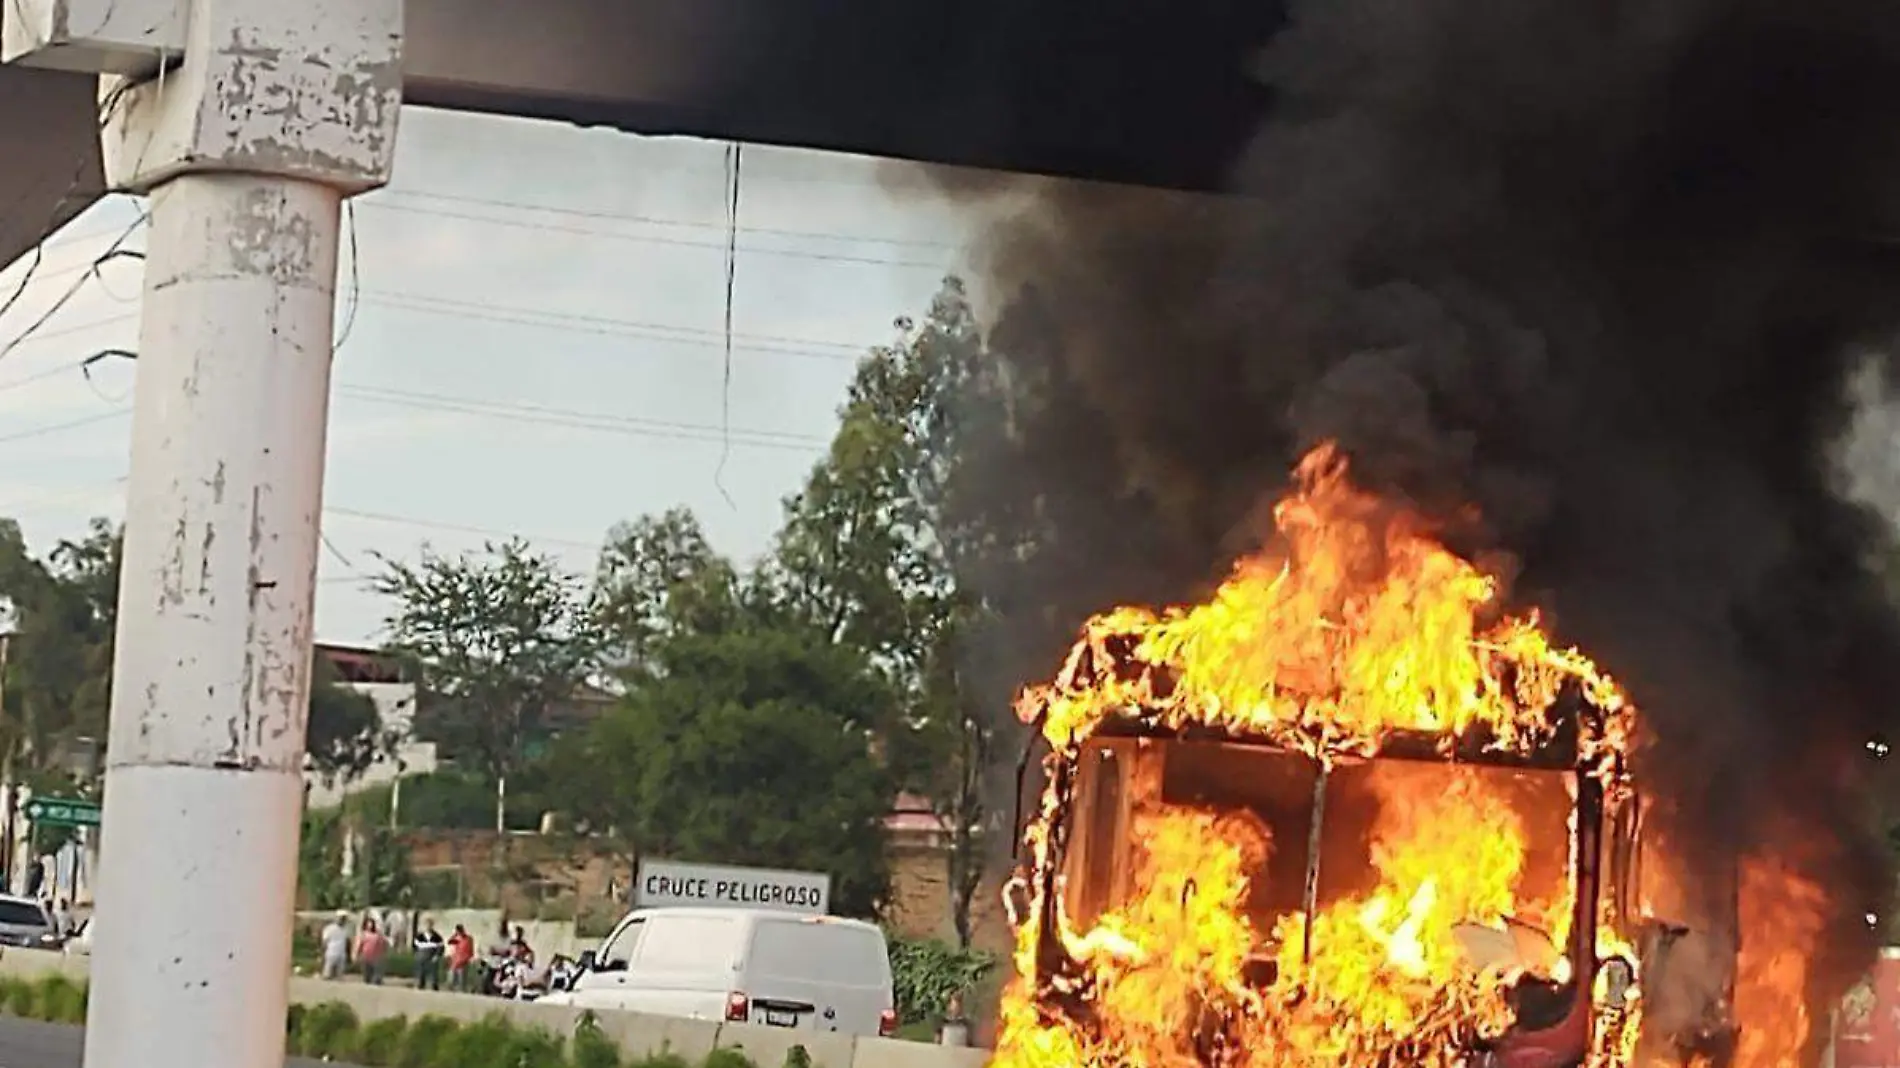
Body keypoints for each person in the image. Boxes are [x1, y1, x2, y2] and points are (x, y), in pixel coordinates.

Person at [354, 917, 390, 986]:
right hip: (366, 956)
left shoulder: (378, 935)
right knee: (367, 975)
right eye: (368, 924)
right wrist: (356, 954)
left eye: (371, 923)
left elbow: (384, 943)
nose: (370, 925)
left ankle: (377, 981)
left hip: (376, 957)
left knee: (376, 974)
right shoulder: (363, 934)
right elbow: (359, 945)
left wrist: (384, 953)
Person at [413, 917, 444, 991]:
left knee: (433, 972)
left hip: (432, 956)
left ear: (432, 926)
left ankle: (434, 985)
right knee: (421, 971)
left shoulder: (437, 936)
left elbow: (441, 947)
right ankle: (421, 984)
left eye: (430, 925)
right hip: (421, 955)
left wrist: (437, 955)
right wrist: (417, 954)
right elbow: (415, 946)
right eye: (426, 925)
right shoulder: (419, 936)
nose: (428, 927)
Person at [319, 911, 351, 981]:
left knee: (340, 975)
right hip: (331, 952)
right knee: (327, 973)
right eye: (341, 918)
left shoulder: (346, 929)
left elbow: (347, 942)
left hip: (342, 953)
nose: (343, 920)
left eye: (344, 919)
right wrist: (322, 952)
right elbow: (324, 941)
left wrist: (348, 954)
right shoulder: (329, 928)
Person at [446, 923, 475, 993]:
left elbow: (470, 950)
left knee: (461, 977)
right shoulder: (457, 938)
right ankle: (451, 989)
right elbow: (449, 942)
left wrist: (468, 958)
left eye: (460, 931)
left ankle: (462, 990)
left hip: (463, 960)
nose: (459, 932)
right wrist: (454, 935)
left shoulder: (468, 938)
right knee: (452, 976)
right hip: (456, 959)